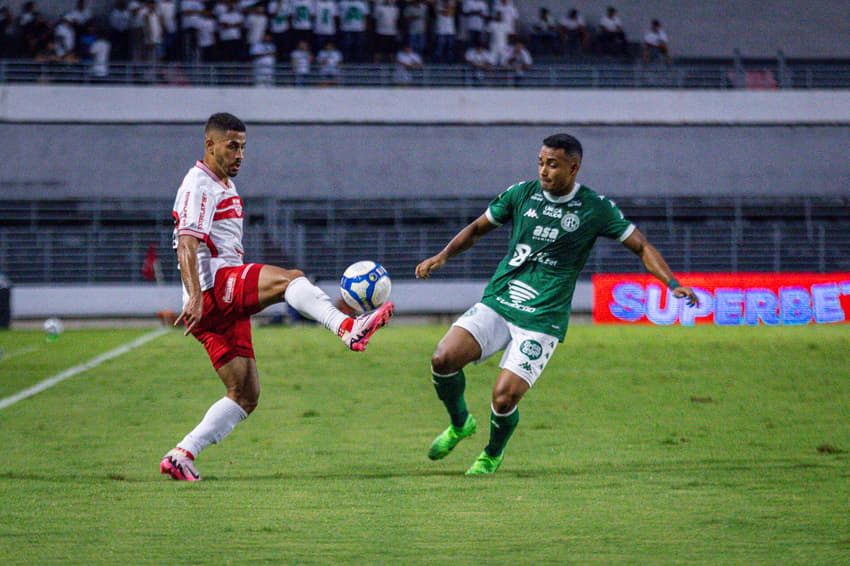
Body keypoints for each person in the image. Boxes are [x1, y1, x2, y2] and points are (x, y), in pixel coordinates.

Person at [415, 133, 698, 475]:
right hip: (501, 300)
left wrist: (672, 283)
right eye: (540, 163)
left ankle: (491, 453)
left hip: (543, 317)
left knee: (503, 398)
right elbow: (477, 228)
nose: (544, 171)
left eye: (552, 164)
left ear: (573, 168)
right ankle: (460, 423)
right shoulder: (521, 194)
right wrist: (443, 256)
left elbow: (640, 246)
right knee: (442, 358)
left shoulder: (595, 208)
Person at [160, 113, 395, 481]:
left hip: (215, 307)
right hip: (214, 289)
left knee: (245, 395)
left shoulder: (223, 184)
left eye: (243, 147)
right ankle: (347, 326)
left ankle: (182, 454)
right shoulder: (198, 183)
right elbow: (187, 241)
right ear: (210, 145)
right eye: (232, 146)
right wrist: (193, 295)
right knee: (290, 280)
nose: (240, 154)